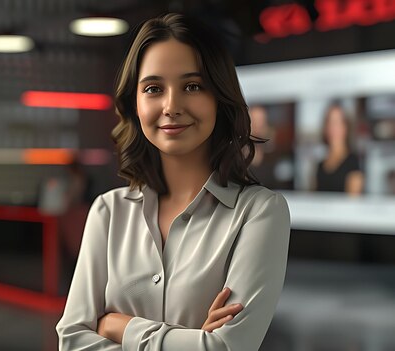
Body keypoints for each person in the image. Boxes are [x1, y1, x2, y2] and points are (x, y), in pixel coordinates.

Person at [56, 13, 290, 350]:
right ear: (134, 104)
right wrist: (193, 338)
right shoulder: (108, 212)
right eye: (153, 88)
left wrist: (118, 327)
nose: (171, 106)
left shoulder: (260, 213)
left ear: (219, 97)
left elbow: (225, 348)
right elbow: (73, 340)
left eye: (192, 86)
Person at [314, 102, 364, 195]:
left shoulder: (353, 162)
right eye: (330, 121)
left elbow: (354, 204)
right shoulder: (320, 165)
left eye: (337, 122)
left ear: (346, 127)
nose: (333, 127)